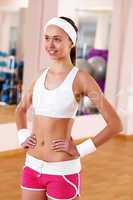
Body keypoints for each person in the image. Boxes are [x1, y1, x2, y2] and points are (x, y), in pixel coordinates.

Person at [15, 16, 123, 200]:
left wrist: (81, 149)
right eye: (47, 38)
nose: (50, 44)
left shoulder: (81, 78)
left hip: (61, 170)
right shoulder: (41, 75)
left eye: (57, 39)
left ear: (71, 42)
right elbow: (20, 109)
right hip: (31, 166)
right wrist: (22, 135)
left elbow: (115, 124)